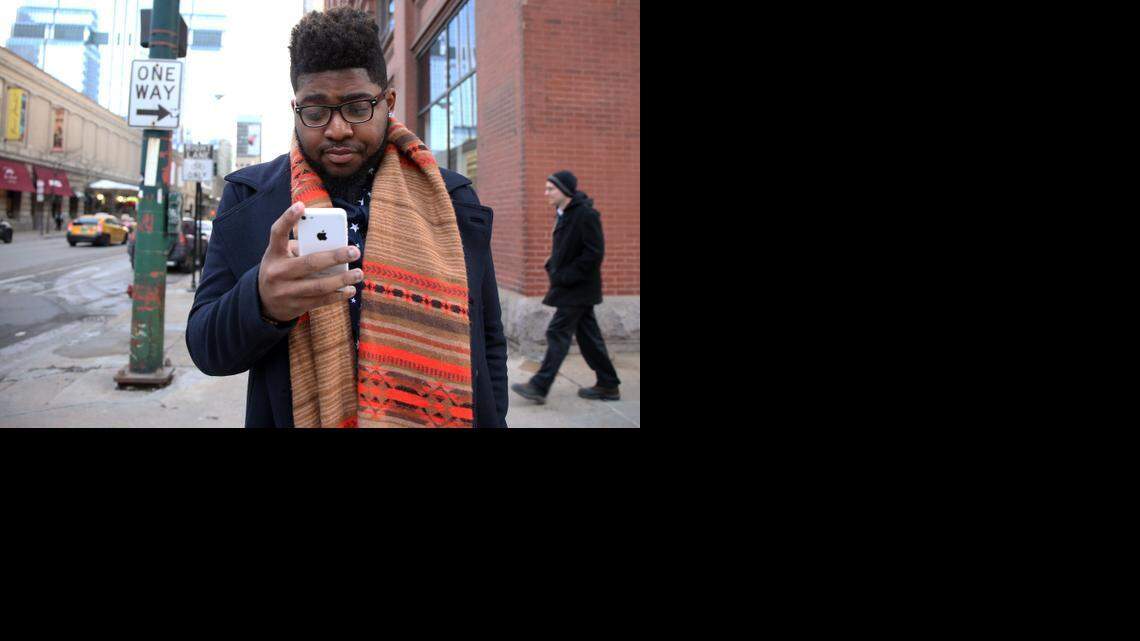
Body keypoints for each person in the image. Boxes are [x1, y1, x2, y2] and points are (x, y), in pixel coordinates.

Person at [186, 7, 507, 428]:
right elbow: (207, 348)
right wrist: (261, 301)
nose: (337, 129)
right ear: (295, 108)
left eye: (357, 107)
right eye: (316, 112)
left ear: (387, 102)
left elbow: (488, 340)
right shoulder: (249, 199)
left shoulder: (452, 199)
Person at [511, 170, 621, 404]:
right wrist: (553, 264)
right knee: (589, 338)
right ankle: (608, 384)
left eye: (551, 189)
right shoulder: (564, 214)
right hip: (571, 288)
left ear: (565, 190)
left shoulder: (585, 215)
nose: (546, 193)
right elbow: (569, 249)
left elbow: (594, 253)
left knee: (557, 332)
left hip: (577, 289)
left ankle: (539, 385)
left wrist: (565, 275)